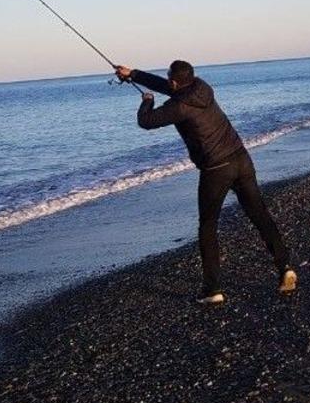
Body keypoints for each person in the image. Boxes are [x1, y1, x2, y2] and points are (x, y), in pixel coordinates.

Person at [115, 60, 296, 305]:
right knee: (259, 214)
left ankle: (213, 289)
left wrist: (147, 100)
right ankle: (285, 266)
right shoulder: (202, 87)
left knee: (208, 226)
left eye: (170, 79)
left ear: (175, 81)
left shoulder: (179, 107)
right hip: (241, 159)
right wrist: (133, 74)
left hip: (216, 169)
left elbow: (147, 121)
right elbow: (169, 87)